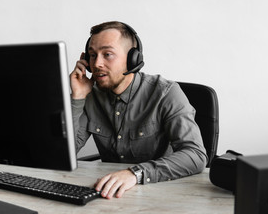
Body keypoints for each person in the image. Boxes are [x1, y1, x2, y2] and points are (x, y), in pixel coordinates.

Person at [69, 21, 207, 199]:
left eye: (107, 54)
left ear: (133, 58)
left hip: (161, 194)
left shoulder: (165, 93)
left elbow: (195, 155)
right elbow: (62, 155)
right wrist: (77, 98)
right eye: (92, 55)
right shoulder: (90, 95)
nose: (97, 64)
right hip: (108, 195)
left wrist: (135, 173)